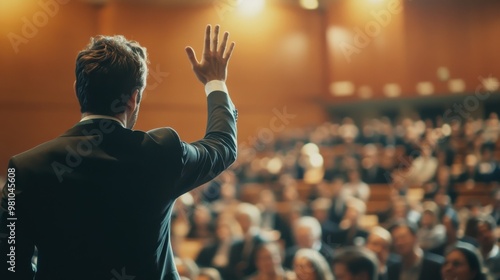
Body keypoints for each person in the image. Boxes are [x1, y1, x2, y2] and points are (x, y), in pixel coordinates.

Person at [0, 24, 237, 280]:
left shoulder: (23, 168)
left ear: (77, 89)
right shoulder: (161, 152)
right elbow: (222, 146)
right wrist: (215, 82)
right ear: (133, 98)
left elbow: (10, 262)